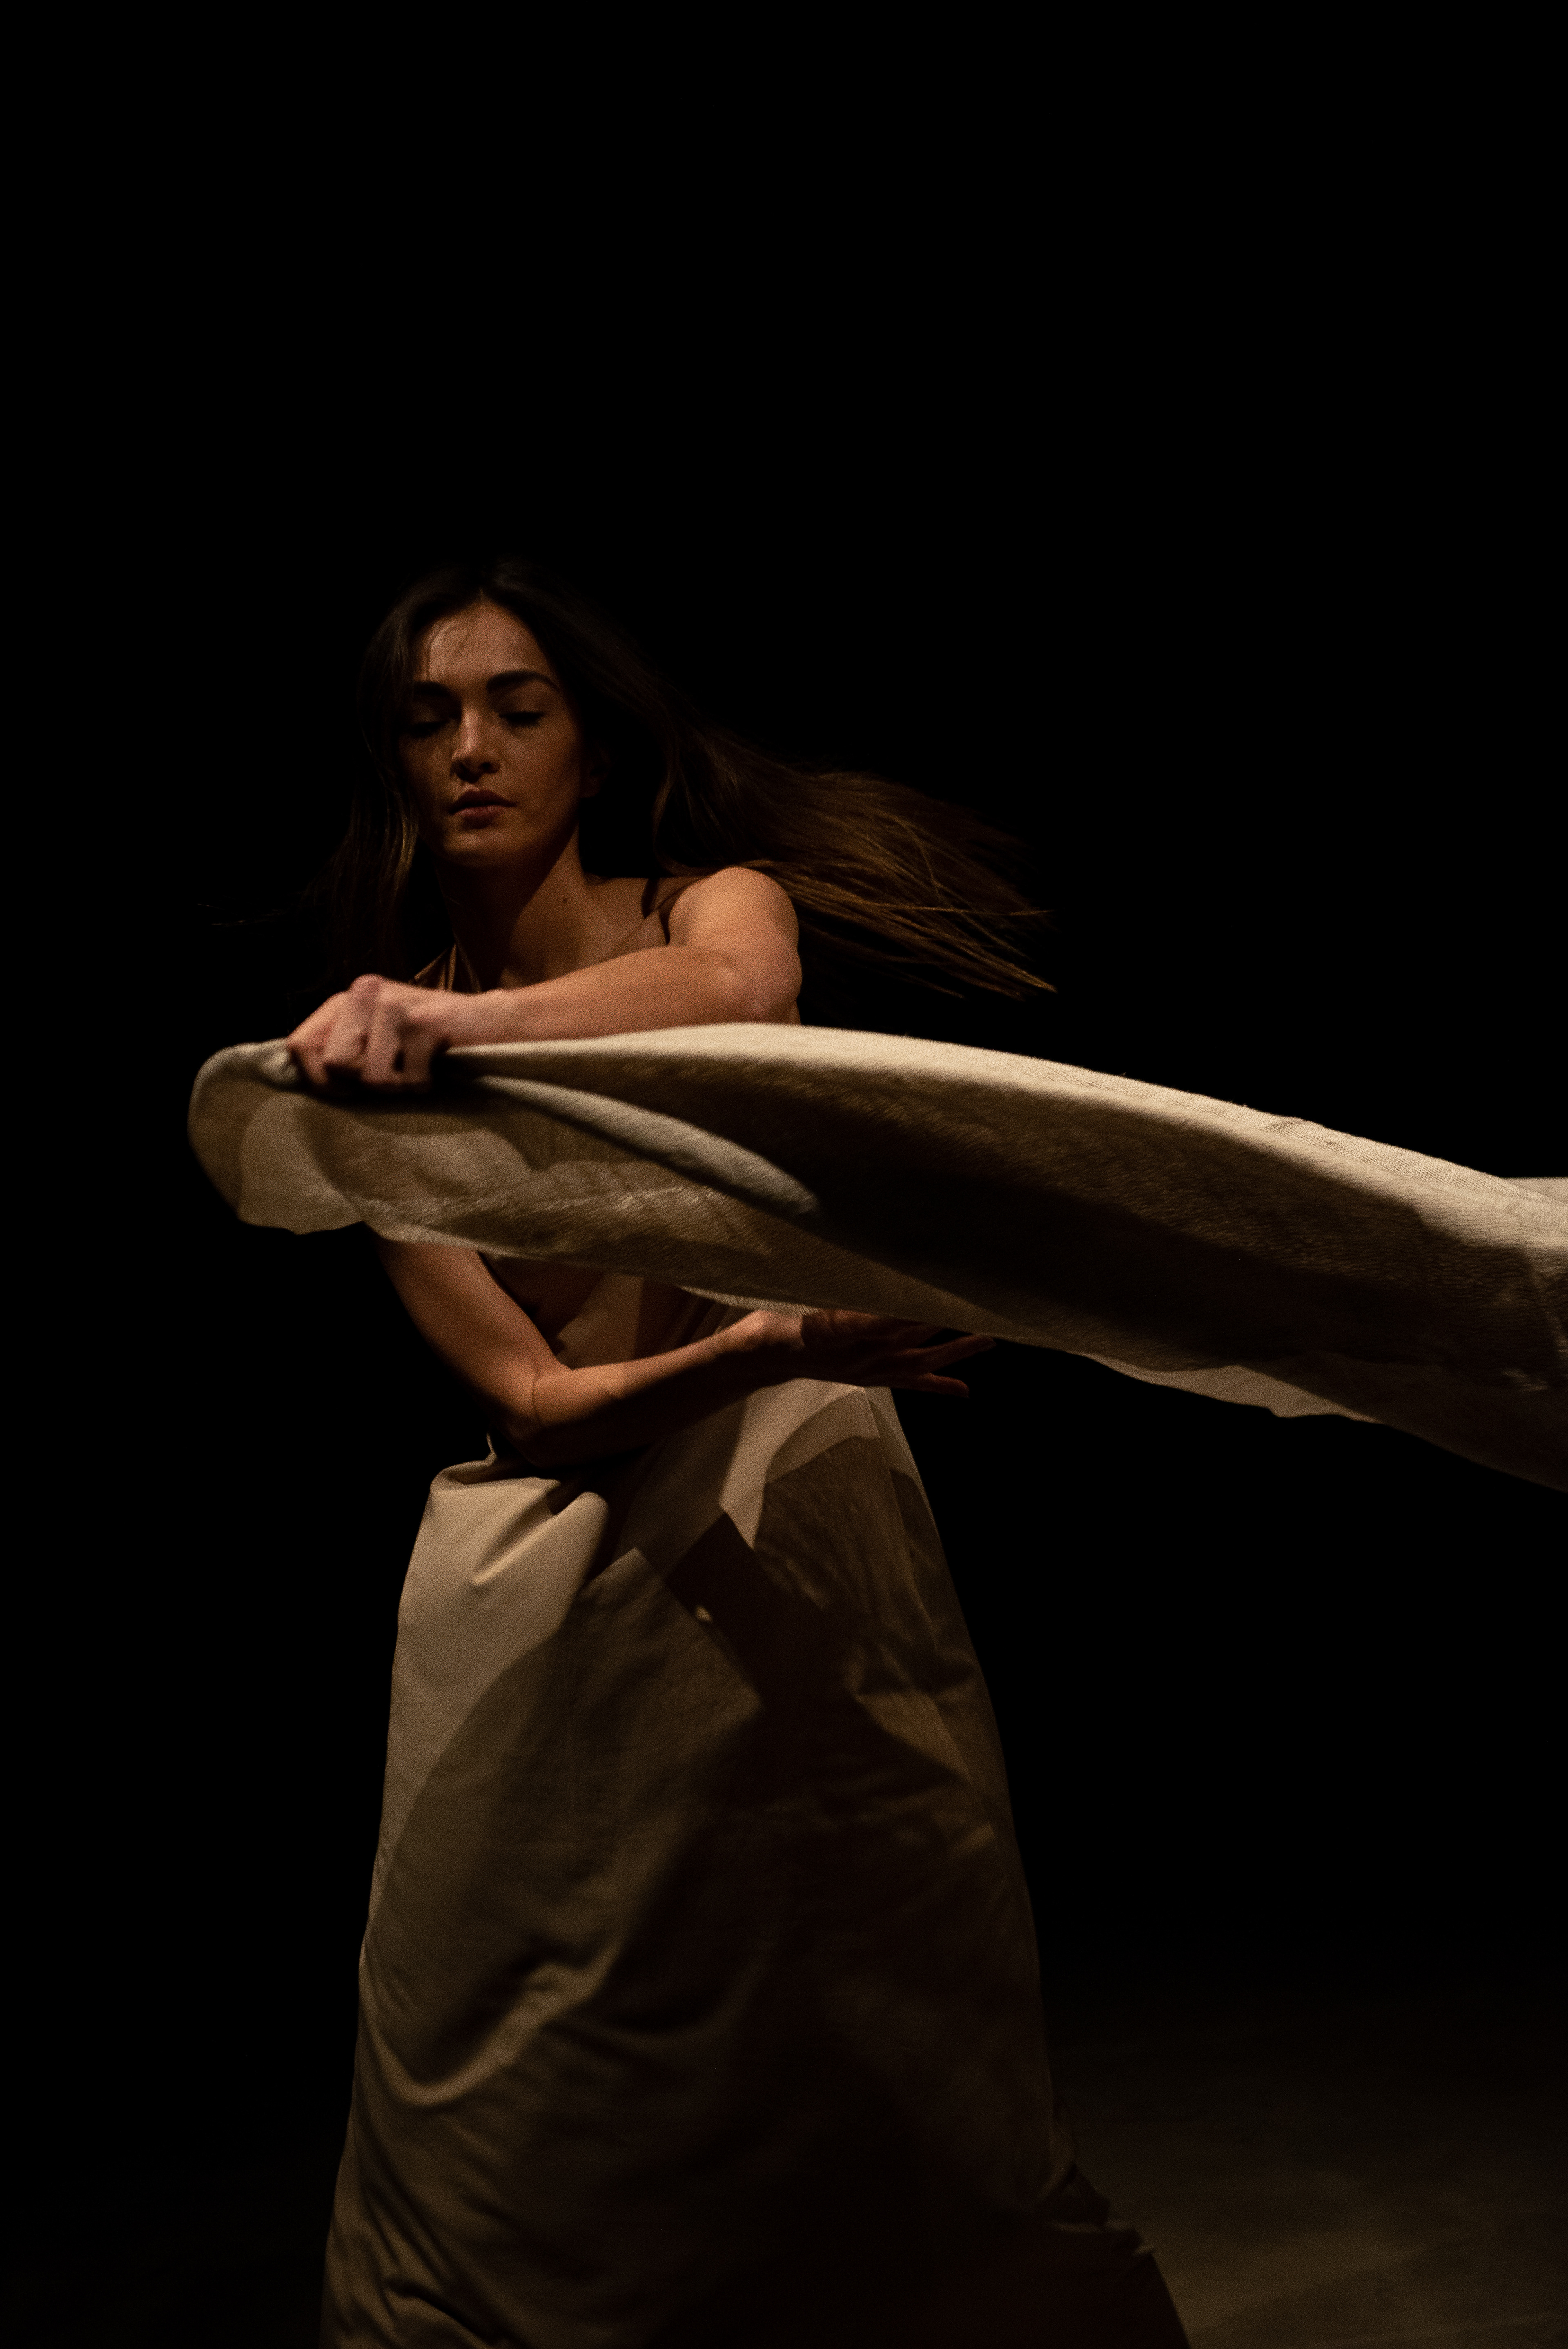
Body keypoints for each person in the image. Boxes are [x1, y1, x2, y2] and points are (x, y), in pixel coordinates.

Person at [287, 557, 1189, 2347]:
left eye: (518, 708)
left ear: (594, 743)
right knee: (522, 2069)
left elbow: (737, 998)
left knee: (881, 1983)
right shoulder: (368, 1066)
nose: (472, 749)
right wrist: (760, 1346)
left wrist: (462, 1026)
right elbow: (529, 1401)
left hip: (795, 1517)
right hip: (558, 1577)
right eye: (427, 718)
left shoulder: (702, 910)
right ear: (388, 759)